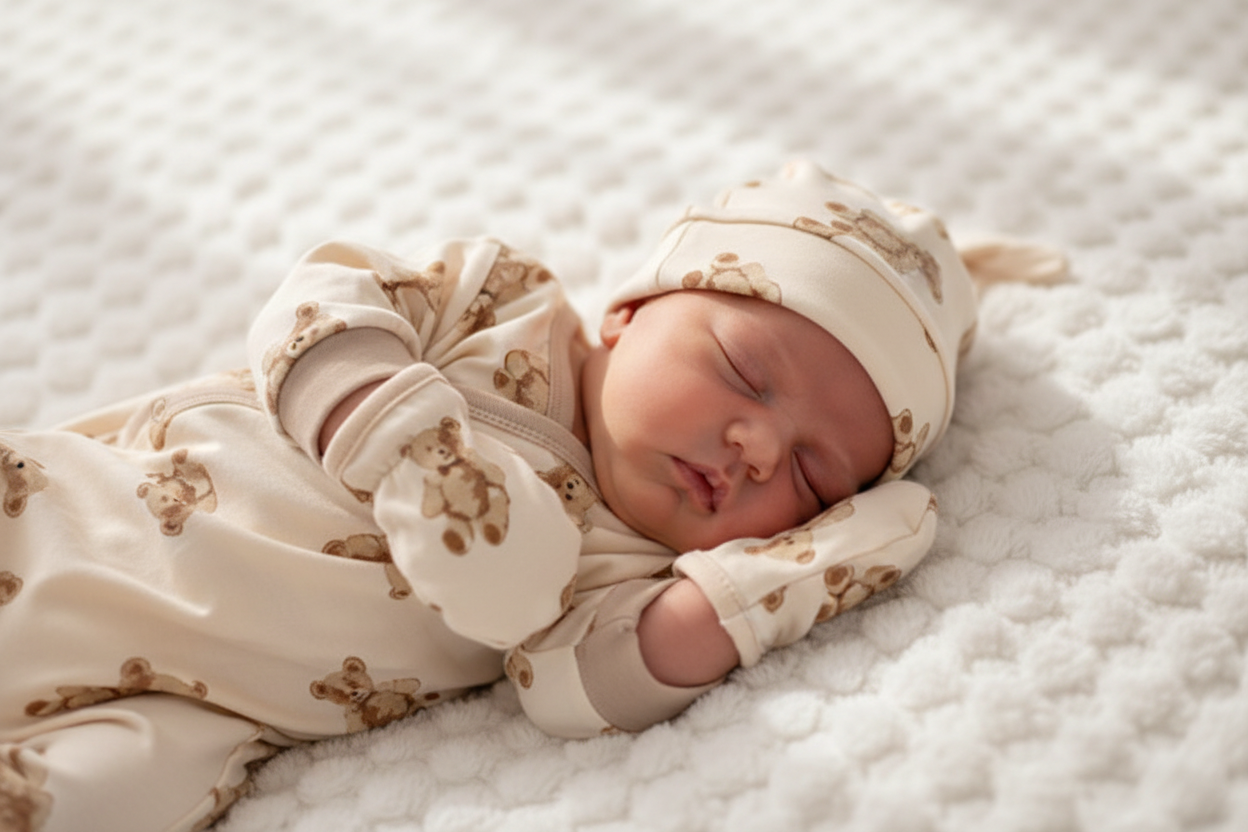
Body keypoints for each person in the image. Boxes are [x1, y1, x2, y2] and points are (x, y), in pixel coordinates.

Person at [0, 160, 1062, 832]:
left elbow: (577, 692)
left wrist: (783, 583)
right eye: (743, 373)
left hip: (196, 700)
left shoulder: (621, 572)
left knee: (121, 796)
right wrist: (398, 430)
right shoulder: (497, 303)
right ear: (631, 312)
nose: (753, 447)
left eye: (812, 474)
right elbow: (321, 299)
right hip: (76, 513)